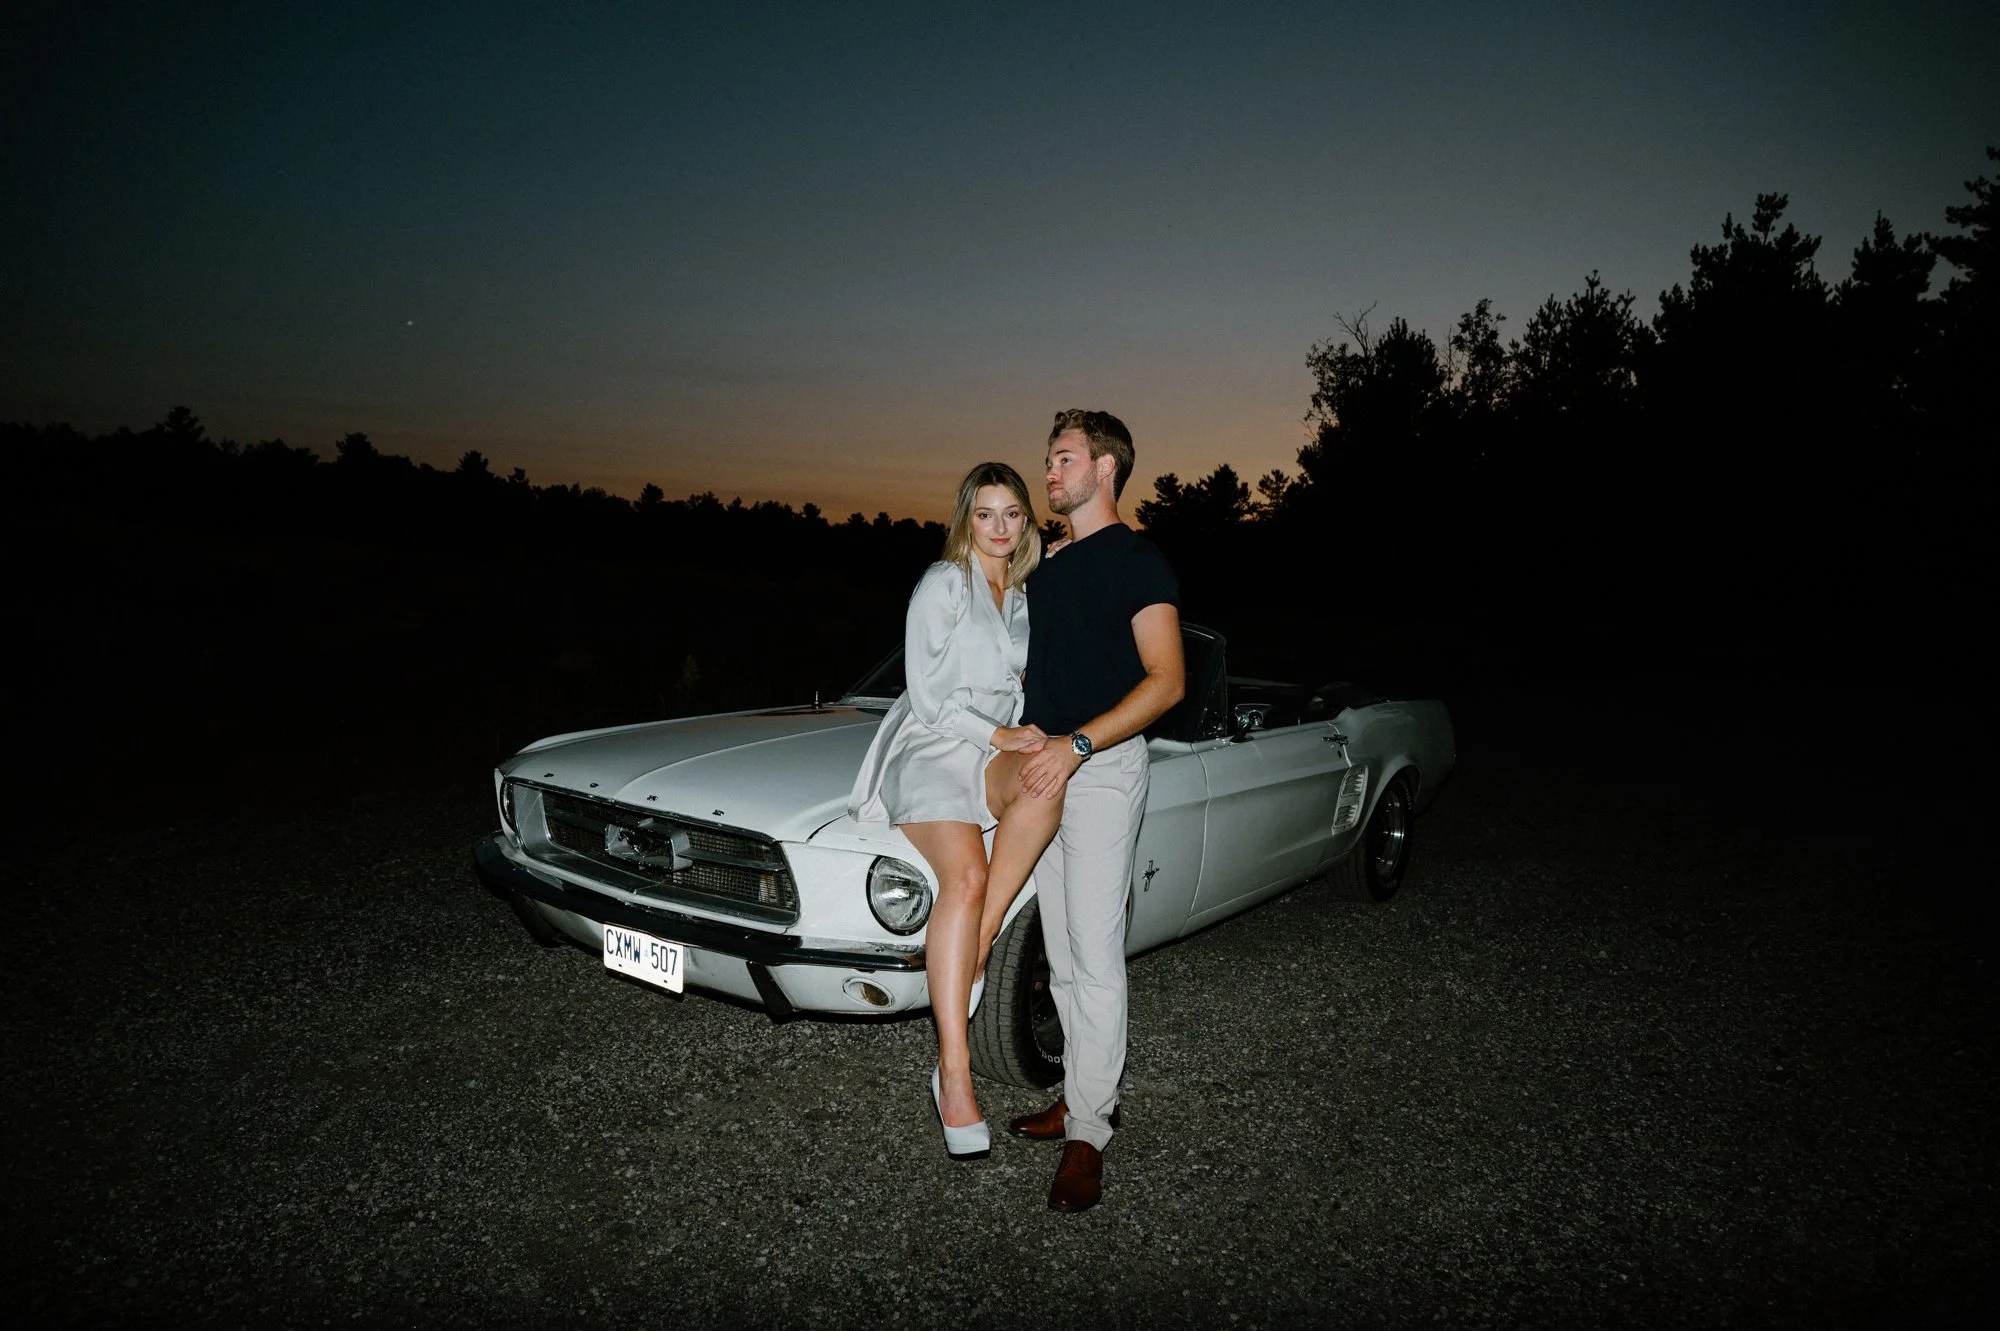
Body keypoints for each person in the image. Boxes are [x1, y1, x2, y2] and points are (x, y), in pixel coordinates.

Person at [846, 461, 1069, 1161]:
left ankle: (980, 938)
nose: (999, 528)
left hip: (993, 747)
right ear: (965, 518)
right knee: (964, 877)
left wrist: (1020, 734)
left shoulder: (1024, 594)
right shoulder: (945, 582)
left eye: (1013, 514)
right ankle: (954, 1072)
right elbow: (927, 693)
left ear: (1027, 522)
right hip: (934, 743)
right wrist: (997, 734)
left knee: (1047, 781)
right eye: (985, 513)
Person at [1006, 409, 1184, 1213]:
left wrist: (1078, 744)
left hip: (1101, 766)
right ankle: (1085, 1096)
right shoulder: (1047, 564)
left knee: (1097, 949)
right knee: (1062, 952)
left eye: (1064, 458)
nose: (1049, 472)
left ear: (1106, 467)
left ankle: (1089, 1133)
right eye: (1048, 460)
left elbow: (1167, 680)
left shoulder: (1138, 560)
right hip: (1042, 766)